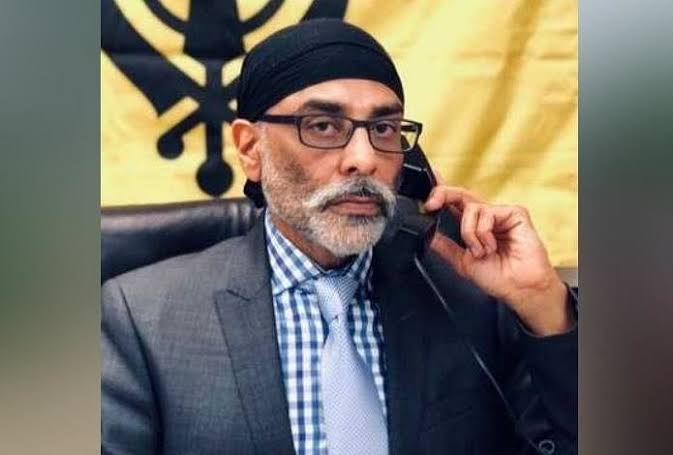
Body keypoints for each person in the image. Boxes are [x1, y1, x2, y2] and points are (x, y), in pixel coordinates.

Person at [102, 19, 577, 455]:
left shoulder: (468, 299)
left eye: (384, 129)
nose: (364, 159)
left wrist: (542, 303)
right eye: (324, 126)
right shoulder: (142, 319)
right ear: (251, 149)